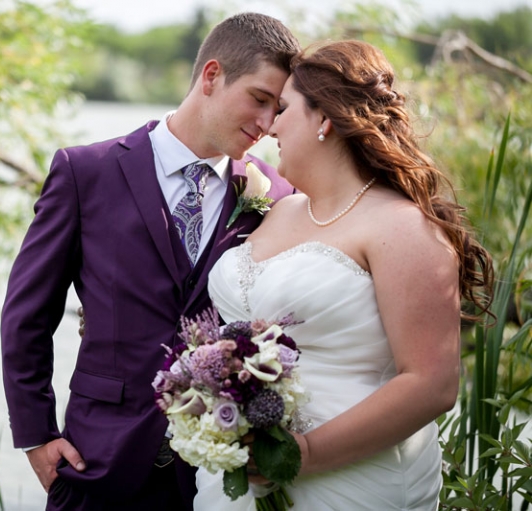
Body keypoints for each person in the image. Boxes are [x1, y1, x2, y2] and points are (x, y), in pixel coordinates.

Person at [0, 12, 301, 511]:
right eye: (260, 98)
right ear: (211, 75)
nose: (267, 125)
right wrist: (36, 436)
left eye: (279, 108)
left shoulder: (277, 194)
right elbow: (27, 317)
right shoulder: (85, 173)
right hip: (95, 462)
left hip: (217, 474)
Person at [195, 40, 494, 510]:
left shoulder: (403, 226)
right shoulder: (280, 209)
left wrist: (304, 453)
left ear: (325, 119)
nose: (270, 127)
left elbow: (433, 383)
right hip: (239, 481)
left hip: (351, 479)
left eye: (285, 108)